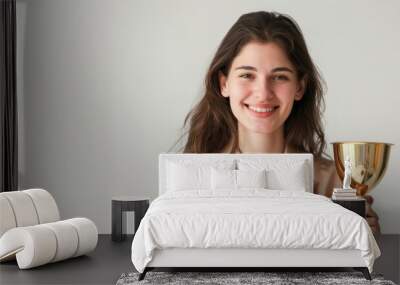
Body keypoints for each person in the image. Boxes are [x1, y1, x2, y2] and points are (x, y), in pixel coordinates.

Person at [178, 11, 380, 234]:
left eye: (280, 77)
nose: (263, 94)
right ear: (224, 83)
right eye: (247, 75)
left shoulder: (334, 181)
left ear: (300, 87)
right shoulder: (192, 175)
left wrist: (367, 236)